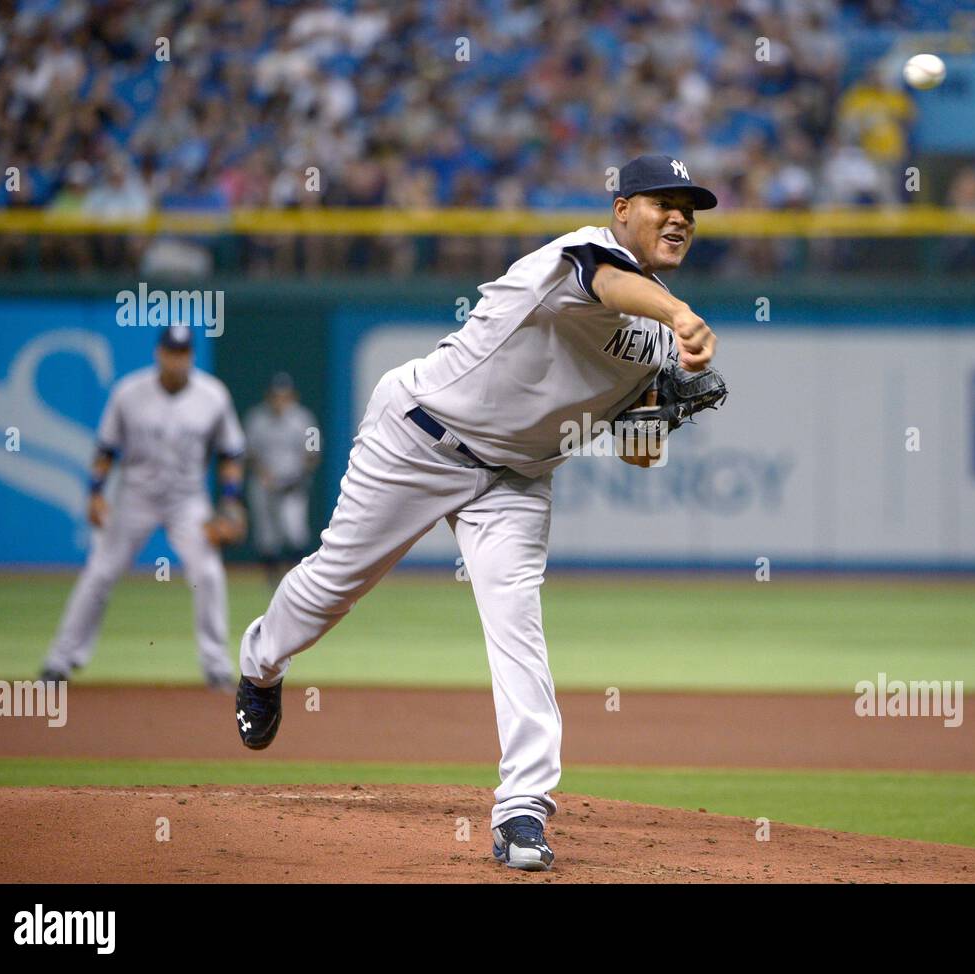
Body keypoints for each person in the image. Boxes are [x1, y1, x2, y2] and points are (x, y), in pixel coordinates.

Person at [235, 155, 718, 872]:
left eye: (690, 207)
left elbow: (638, 456)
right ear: (622, 209)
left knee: (516, 621)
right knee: (335, 583)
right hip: (421, 435)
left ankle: (523, 808)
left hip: (516, 480)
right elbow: (607, 285)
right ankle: (261, 663)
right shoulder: (583, 255)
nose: (679, 216)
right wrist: (680, 313)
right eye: (662, 202)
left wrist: (665, 411)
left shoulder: (656, 343)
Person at [40, 325, 246, 690]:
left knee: (209, 575)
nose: (176, 358)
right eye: (171, 351)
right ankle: (60, 661)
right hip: (135, 496)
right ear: (158, 353)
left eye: (183, 352)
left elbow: (231, 453)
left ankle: (216, 667)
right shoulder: (129, 393)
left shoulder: (213, 396)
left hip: (187, 500)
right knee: (100, 573)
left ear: (192, 356)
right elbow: (106, 450)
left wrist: (229, 504)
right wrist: (95, 493)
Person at [244, 373, 320, 585]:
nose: (279, 400)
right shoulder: (256, 419)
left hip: (293, 484)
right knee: (266, 534)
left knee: (294, 530)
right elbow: (249, 453)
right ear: (269, 396)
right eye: (276, 395)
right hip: (264, 484)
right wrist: (263, 474)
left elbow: (313, 453)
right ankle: (272, 581)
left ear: (292, 396)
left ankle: (298, 580)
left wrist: (298, 477)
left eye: (284, 395)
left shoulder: (303, 419)